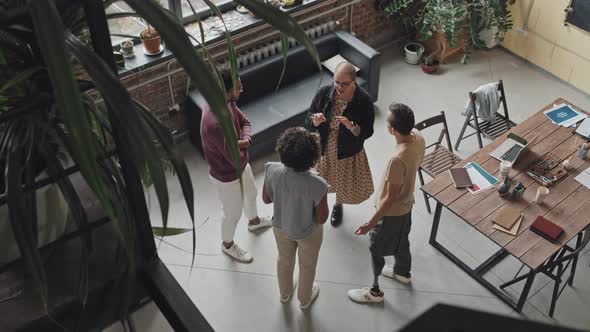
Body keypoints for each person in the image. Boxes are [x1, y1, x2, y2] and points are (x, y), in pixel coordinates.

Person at [347, 103, 425, 303]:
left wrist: (370, 223)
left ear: (393, 130)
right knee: (402, 240)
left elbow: (391, 197)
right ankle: (402, 273)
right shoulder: (418, 137)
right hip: (407, 206)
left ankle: (374, 292)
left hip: (392, 213)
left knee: (375, 248)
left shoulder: (397, 160)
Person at [200, 68, 271, 263]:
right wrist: (244, 145)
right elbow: (237, 159)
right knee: (232, 214)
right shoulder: (214, 122)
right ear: (227, 90)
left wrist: (243, 141)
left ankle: (254, 222)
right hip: (226, 175)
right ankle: (228, 245)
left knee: (251, 192)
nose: (242, 89)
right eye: (238, 87)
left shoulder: (227, 102)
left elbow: (245, 121)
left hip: (238, 165)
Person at [262, 127, 329, 309]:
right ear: (314, 157)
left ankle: (285, 294)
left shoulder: (271, 169)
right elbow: (322, 218)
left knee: (284, 259)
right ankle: (304, 299)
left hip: (280, 226)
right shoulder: (318, 184)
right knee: (307, 265)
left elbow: (266, 199)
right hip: (308, 233)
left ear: (281, 150)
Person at [307, 61, 375, 227]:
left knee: (341, 180)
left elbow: (368, 132)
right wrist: (315, 122)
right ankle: (317, 204)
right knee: (320, 179)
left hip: (347, 150)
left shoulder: (364, 100)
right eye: (336, 82)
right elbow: (308, 116)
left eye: (344, 84)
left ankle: (338, 205)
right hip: (324, 147)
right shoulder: (324, 93)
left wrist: (352, 127)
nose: (339, 87)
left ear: (354, 81)